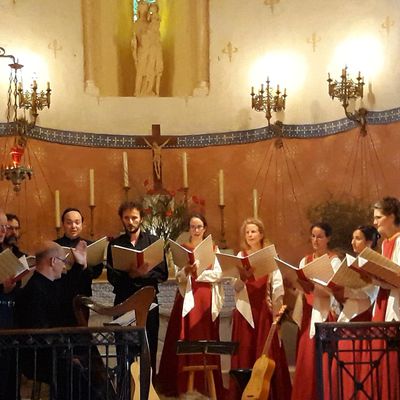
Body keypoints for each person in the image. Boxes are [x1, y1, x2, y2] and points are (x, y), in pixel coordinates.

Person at [15, 241, 112, 400]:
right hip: (40, 357)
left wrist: (79, 264)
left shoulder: (49, 284)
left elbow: (69, 287)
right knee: (80, 373)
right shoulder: (35, 290)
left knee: (91, 364)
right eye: (63, 262)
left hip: (54, 351)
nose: (64, 266)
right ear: (53, 261)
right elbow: (40, 333)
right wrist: (66, 354)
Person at [156, 213, 224, 398]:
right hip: (187, 297)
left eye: (199, 226)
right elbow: (179, 276)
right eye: (192, 227)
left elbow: (218, 274)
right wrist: (187, 271)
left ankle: (206, 387)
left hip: (205, 300)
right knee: (185, 338)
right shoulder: (182, 249)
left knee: (205, 339)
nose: (195, 230)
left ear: (205, 229)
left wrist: (198, 274)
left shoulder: (212, 248)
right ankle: (183, 386)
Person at [229, 218, 292, 400]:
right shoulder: (241, 256)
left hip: (264, 311)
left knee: (264, 354)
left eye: (254, 231)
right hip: (245, 310)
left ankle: (268, 393)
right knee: (246, 349)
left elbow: (277, 286)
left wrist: (277, 314)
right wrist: (242, 277)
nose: (250, 235)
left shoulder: (269, 256)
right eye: (247, 232)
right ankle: (243, 392)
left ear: (261, 234)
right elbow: (236, 287)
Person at [107, 200, 168, 374]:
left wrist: (143, 274)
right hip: (124, 301)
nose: (130, 222)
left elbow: (162, 274)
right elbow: (112, 277)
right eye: (126, 218)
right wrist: (131, 275)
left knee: (148, 347)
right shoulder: (115, 244)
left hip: (148, 303)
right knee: (124, 349)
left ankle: (148, 391)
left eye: (134, 217)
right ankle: (126, 391)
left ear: (141, 218)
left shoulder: (154, 242)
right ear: (122, 219)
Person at [291, 222, 341, 400]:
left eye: (320, 236)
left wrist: (315, 286)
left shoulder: (334, 260)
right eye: (313, 236)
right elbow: (301, 284)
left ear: (328, 238)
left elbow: (335, 289)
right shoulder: (305, 260)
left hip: (324, 312)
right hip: (308, 310)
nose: (315, 240)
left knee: (321, 356)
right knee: (306, 358)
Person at [359, 197, 400, 398]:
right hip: (383, 301)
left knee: (392, 358)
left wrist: (379, 276)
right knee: (381, 356)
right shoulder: (385, 244)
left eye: (379, 217)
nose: (375, 222)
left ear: (392, 216)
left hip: (395, 303)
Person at [54, 207, 104, 326]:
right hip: (60, 296)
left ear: (82, 224)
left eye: (77, 222)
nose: (73, 226)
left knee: (81, 333)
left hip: (82, 296)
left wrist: (85, 266)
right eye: (69, 222)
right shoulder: (55, 246)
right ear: (63, 224)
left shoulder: (90, 246)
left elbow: (97, 272)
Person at [0, 210, 20, 400]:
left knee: (9, 382)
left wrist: (10, 287)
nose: (3, 231)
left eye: (4, 227)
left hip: (8, 320)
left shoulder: (6, 253)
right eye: (0, 227)